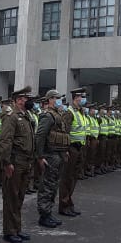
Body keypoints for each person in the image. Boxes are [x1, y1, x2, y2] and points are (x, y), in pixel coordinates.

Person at [0, 87, 34, 243]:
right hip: (15, 161)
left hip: (25, 161)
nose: (28, 100)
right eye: (25, 98)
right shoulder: (11, 116)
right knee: (11, 197)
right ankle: (9, 231)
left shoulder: (25, 116)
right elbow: (6, 140)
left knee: (19, 197)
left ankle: (17, 228)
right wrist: (7, 162)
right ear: (19, 100)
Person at [34, 89, 70, 229]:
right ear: (49, 100)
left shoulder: (57, 115)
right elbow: (40, 136)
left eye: (59, 98)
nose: (58, 100)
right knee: (47, 185)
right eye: (55, 98)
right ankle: (44, 215)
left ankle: (48, 212)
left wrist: (65, 151)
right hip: (50, 155)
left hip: (58, 154)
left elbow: (61, 134)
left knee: (54, 184)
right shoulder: (47, 116)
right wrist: (40, 156)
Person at [58, 88, 88, 217]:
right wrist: (65, 150)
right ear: (76, 98)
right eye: (82, 97)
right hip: (71, 148)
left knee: (73, 177)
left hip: (79, 148)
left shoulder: (80, 112)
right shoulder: (69, 113)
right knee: (67, 177)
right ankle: (64, 205)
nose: (83, 100)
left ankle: (69, 202)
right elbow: (65, 133)